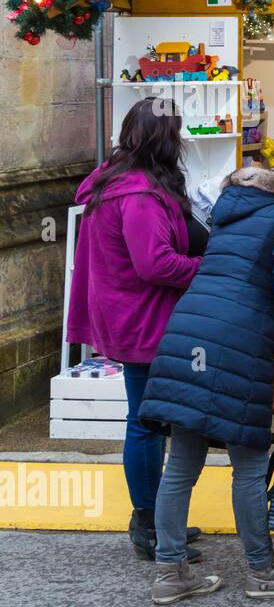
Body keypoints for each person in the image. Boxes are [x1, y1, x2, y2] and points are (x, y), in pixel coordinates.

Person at [140, 132, 274, 605]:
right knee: (247, 462)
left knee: (181, 463)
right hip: (237, 339)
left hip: (190, 327)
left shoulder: (239, 196)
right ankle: (262, 571)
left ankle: (170, 572)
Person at [65, 97, 203, 561]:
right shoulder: (140, 193)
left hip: (127, 314)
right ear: (165, 138)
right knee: (146, 422)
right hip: (142, 318)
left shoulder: (115, 178)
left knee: (148, 418)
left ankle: (158, 518)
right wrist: (206, 267)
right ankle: (150, 525)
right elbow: (154, 263)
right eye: (177, 132)